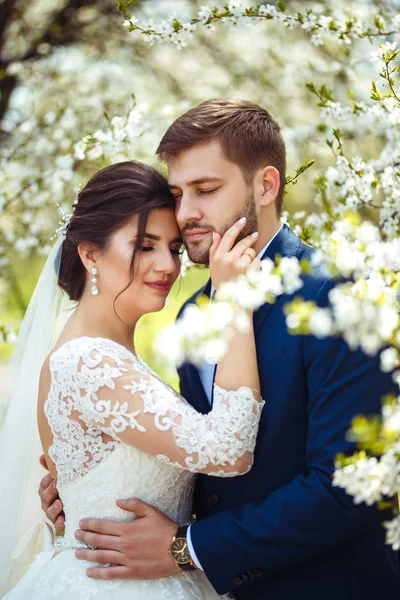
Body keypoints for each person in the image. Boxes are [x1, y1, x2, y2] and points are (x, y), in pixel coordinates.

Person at [40, 99, 400, 599]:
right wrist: (91, 488)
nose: (186, 213)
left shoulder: (339, 298)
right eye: (177, 193)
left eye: (206, 190)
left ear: (266, 186)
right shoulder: (193, 314)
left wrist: (187, 548)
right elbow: (210, 475)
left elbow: (350, 488)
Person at [0, 159, 265, 600]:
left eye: (175, 248)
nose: (167, 265)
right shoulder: (89, 362)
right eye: (145, 246)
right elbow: (229, 450)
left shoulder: (105, 356)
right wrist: (235, 302)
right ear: (89, 255)